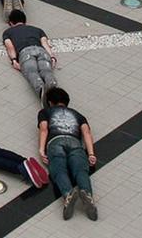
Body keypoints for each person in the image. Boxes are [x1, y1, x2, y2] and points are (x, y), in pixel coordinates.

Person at [37, 87, 98, 221]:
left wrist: (41, 150)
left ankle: (68, 194)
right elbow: (86, 133)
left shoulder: (45, 112)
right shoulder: (79, 115)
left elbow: (43, 129)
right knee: (81, 171)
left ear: (50, 102)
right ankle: (87, 195)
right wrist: (91, 154)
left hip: (55, 142)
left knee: (59, 170)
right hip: (75, 142)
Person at [3, 9, 57, 105]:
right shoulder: (38, 30)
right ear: (25, 21)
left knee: (32, 73)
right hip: (41, 51)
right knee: (47, 71)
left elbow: (10, 47)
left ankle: (42, 91)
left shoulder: (8, 32)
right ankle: (52, 86)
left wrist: (14, 61)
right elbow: (45, 44)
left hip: (25, 53)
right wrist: (52, 57)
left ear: (11, 22)